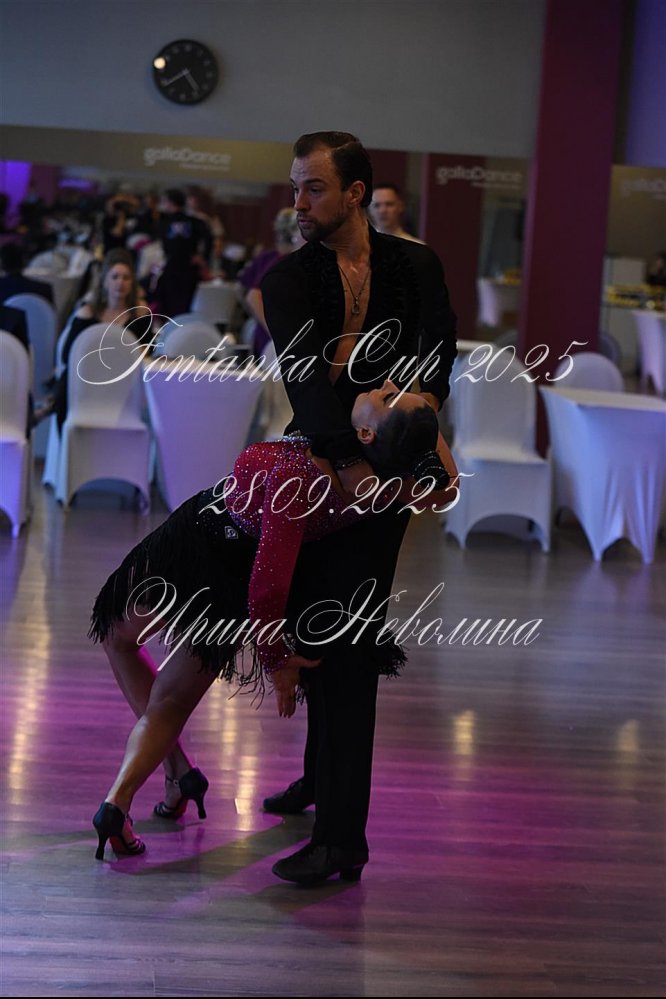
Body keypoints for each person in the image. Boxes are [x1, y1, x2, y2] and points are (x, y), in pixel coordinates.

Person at [89, 386, 458, 862]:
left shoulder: (298, 478)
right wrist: (424, 420)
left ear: (368, 433)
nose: (386, 386)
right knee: (134, 658)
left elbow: (267, 588)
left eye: (390, 398)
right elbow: (447, 485)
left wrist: (278, 662)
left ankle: (121, 801)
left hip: (209, 550)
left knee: (153, 682)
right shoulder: (387, 484)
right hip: (214, 555)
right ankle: (173, 775)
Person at [259, 131, 456, 883]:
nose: (298, 202)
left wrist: (416, 413)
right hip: (321, 468)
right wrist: (350, 465)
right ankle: (319, 780)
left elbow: (439, 350)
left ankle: (343, 839)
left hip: (391, 470)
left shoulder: (418, 264)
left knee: (348, 646)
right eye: (295, 187)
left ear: (354, 192)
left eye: (313, 188)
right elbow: (307, 387)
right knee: (316, 628)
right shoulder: (287, 279)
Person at [51, 248, 151, 431]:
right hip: (89, 380)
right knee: (68, 378)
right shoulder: (88, 314)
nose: (120, 282)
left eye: (126, 278)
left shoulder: (140, 314)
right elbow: (68, 356)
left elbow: (148, 354)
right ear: (105, 281)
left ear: (132, 283)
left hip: (125, 384)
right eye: (115, 277)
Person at [237, 208, 304, 355]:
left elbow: (242, 290)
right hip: (274, 341)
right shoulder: (282, 261)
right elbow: (252, 296)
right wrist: (275, 332)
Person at [153, 188, 211, 317]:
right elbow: (209, 238)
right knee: (186, 305)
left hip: (173, 268)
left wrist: (203, 257)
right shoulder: (195, 221)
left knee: (170, 305)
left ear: (171, 202)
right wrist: (203, 257)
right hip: (189, 269)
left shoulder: (164, 223)